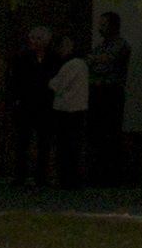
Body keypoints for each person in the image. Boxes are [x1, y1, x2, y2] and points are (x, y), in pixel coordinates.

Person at [6, 27, 55, 188]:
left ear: (46, 41)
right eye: (32, 38)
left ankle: (41, 177)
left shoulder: (53, 58)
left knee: (44, 143)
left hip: (45, 105)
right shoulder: (22, 58)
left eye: (38, 38)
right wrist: (16, 99)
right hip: (26, 105)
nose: (34, 41)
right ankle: (19, 176)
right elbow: (15, 80)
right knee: (22, 142)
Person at [84, 15, 130, 186]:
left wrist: (96, 61)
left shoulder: (120, 44)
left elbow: (105, 63)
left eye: (103, 24)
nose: (100, 27)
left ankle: (111, 176)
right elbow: (91, 62)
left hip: (111, 92)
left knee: (110, 133)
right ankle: (96, 174)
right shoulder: (101, 45)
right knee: (96, 133)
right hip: (97, 91)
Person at [46, 39, 88, 192]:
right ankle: (70, 178)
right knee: (72, 146)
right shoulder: (80, 64)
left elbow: (58, 85)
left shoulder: (73, 64)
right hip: (76, 108)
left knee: (66, 146)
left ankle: (67, 179)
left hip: (68, 109)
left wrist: (50, 81)